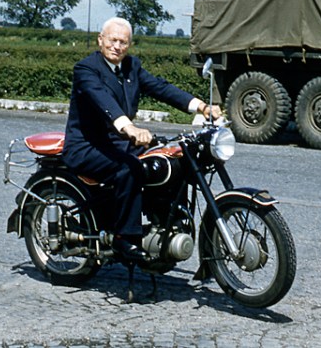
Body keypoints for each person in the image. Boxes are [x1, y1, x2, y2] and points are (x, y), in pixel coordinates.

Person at [62, 17, 221, 264]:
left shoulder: (131, 67)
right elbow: (103, 100)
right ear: (100, 40)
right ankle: (126, 238)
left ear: (130, 45)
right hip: (87, 147)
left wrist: (201, 106)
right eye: (112, 40)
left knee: (168, 161)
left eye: (123, 42)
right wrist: (129, 128)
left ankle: (164, 224)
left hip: (119, 145)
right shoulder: (86, 69)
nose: (117, 46)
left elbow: (160, 87)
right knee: (130, 168)